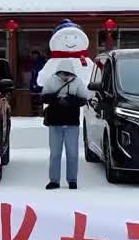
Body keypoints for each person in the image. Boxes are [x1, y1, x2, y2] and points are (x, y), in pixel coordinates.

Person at [37, 20, 95, 190]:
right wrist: (55, 99)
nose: (65, 76)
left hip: (71, 122)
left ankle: (72, 180)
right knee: (55, 154)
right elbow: (43, 97)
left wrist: (71, 100)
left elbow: (85, 97)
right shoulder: (51, 81)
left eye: (68, 74)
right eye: (63, 74)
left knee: (72, 154)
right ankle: (54, 180)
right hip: (55, 122)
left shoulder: (77, 82)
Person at [28, 48, 46, 115]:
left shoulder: (39, 63)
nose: (33, 57)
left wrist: (35, 84)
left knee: (38, 99)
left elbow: (38, 74)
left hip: (38, 85)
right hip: (35, 84)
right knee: (35, 99)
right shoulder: (34, 63)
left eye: (34, 55)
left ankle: (38, 112)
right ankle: (35, 112)